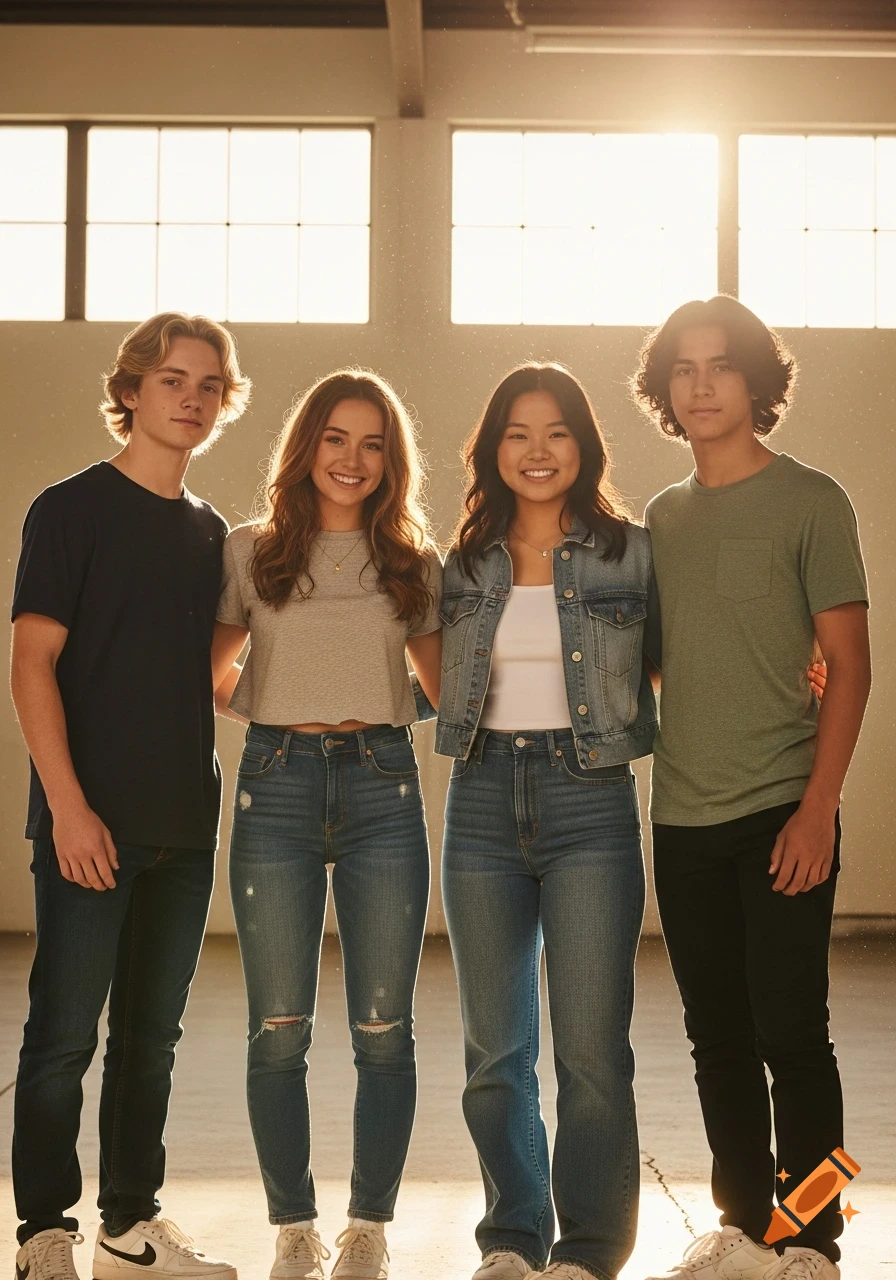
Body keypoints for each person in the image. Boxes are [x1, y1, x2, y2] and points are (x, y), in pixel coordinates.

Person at [631, 296, 872, 1280]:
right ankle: (742, 1225)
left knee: (793, 1033)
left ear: (754, 382)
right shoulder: (657, 517)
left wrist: (816, 808)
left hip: (782, 808)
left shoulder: (813, 501)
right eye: (680, 369)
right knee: (714, 1037)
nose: (698, 385)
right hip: (680, 816)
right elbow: (659, 661)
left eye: (718, 366)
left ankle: (813, 1233)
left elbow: (848, 665)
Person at [10, 313, 252, 1280]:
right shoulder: (68, 510)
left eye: (207, 385)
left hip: (184, 829)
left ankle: (128, 1228)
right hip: (89, 826)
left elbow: (209, 680)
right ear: (132, 390)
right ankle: (43, 1234)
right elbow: (32, 667)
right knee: (63, 1038)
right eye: (171, 380)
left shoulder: (210, 536)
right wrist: (67, 808)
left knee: (150, 1041)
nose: (190, 398)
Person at [211, 370, 442, 1280]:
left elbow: (442, 687)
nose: (353, 459)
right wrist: (275, 716)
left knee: (384, 1028)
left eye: (373, 442)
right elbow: (208, 671)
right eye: (336, 438)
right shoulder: (249, 552)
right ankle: (293, 1227)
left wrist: (371, 710)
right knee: (280, 1026)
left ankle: (369, 1229)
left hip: (384, 788)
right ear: (305, 446)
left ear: (392, 462)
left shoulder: (411, 565)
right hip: (277, 786)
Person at [435, 363, 661, 1280]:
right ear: (492, 449)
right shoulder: (459, 562)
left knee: (592, 1053)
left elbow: (681, 658)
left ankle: (590, 1251)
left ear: (584, 444)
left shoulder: (633, 553)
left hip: (590, 800)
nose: (537, 450)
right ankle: (512, 1239)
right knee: (496, 1054)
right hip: (482, 800)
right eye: (517, 433)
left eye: (556, 431)